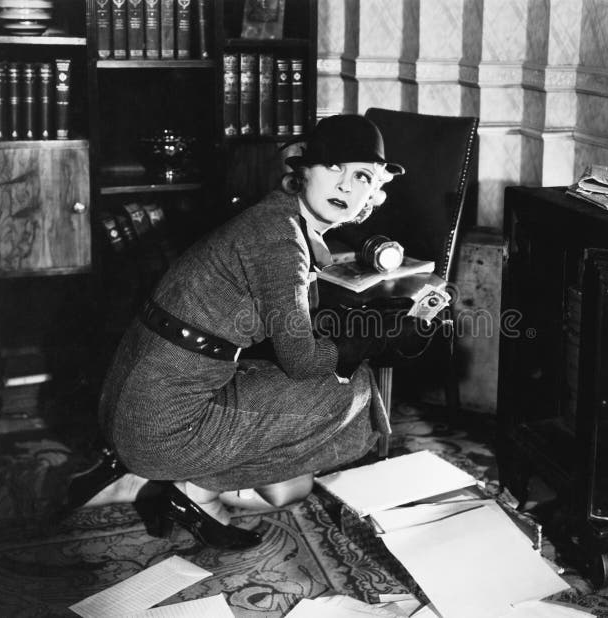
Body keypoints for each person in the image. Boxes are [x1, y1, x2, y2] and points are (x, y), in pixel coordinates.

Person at [68, 114, 413, 550]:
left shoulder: (274, 217)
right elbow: (302, 362)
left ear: (372, 192)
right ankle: (187, 492)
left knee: (292, 486)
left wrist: (366, 325)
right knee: (354, 389)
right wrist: (377, 336)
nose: (345, 185)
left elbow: (281, 333)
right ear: (304, 170)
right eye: (333, 168)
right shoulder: (280, 239)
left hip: (129, 405)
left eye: (361, 175)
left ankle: (160, 482)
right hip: (159, 426)